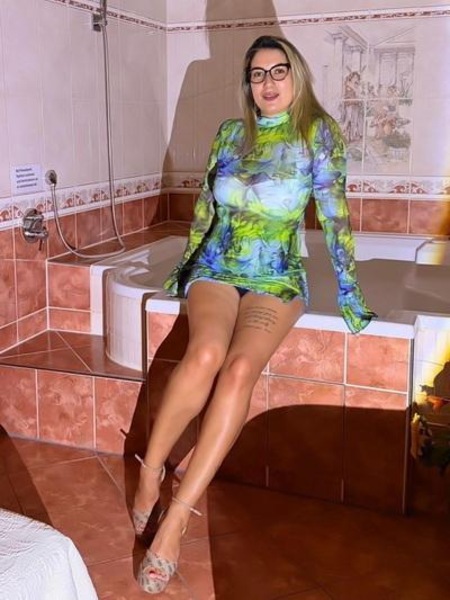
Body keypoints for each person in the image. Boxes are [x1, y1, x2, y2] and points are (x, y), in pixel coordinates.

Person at [132, 34, 376, 594]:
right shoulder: (230, 133)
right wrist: (185, 264)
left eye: (277, 71)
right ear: (247, 83)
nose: (267, 83)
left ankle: (176, 518)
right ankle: (150, 473)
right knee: (205, 354)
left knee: (240, 369)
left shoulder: (318, 134)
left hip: (277, 274)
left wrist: (350, 290)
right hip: (218, 265)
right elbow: (205, 209)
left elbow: (335, 217)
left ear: (297, 75)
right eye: (257, 74)